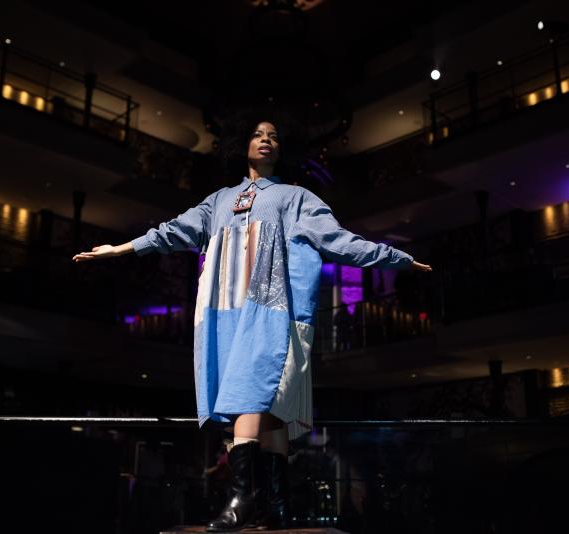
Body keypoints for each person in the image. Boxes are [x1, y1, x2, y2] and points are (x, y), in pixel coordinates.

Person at [73, 117, 432, 531]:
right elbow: (171, 232)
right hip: (222, 312)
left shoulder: (295, 197)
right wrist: (120, 249)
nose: (266, 141)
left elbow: (339, 240)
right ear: (240, 144)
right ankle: (274, 505)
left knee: (249, 394)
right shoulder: (217, 201)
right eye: (258, 134)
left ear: (283, 150)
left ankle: (241, 500)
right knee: (269, 413)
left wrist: (396, 258)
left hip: (270, 309)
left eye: (274, 136)